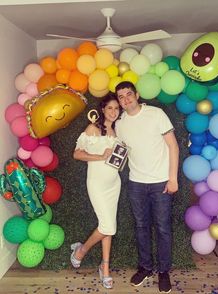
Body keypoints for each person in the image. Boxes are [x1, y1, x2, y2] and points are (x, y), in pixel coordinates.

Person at [115, 81, 179, 294]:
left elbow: (173, 146)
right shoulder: (120, 123)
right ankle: (145, 267)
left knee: (162, 228)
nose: (125, 99)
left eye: (128, 94)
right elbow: (121, 152)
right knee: (141, 227)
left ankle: (163, 271)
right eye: (121, 97)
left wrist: (173, 179)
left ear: (137, 94)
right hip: (136, 184)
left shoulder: (156, 114)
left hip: (161, 182)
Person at [71, 93, 122, 289]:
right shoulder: (93, 129)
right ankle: (81, 251)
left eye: (117, 108)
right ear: (102, 109)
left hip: (114, 184)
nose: (113, 112)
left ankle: (105, 268)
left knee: (107, 223)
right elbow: (77, 154)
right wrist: (101, 156)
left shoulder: (119, 132)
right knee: (108, 226)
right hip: (97, 184)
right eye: (110, 108)